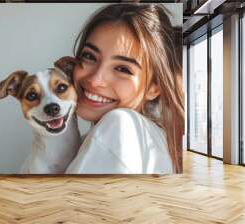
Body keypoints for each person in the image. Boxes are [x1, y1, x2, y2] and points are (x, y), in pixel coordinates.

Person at [64, 3, 184, 174]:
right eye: (89, 56)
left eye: (123, 69)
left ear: (154, 88)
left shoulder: (120, 127)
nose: (95, 80)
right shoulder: (151, 139)